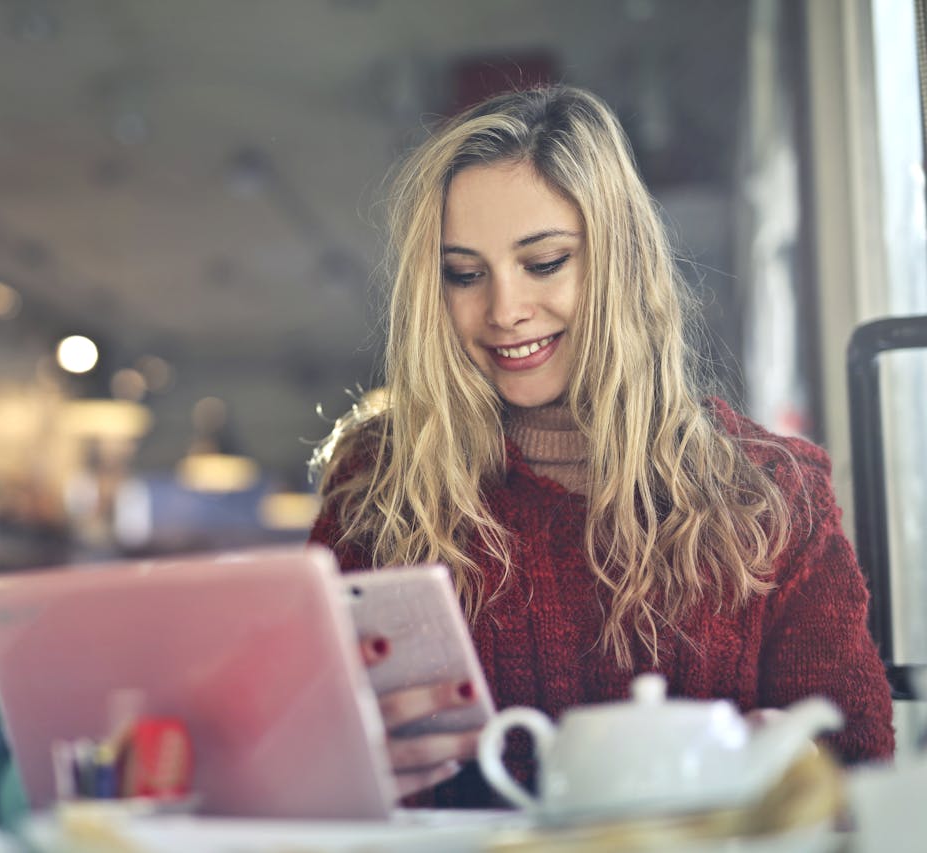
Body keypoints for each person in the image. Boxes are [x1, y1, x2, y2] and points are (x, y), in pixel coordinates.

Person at [307, 85, 895, 809]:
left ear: (620, 262)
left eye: (545, 261)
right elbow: (299, 740)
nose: (504, 309)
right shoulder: (378, 480)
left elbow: (861, 753)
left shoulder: (774, 490)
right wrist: (339, 759)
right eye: (464, 274)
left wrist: (796, 757)